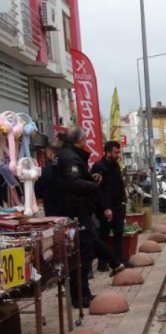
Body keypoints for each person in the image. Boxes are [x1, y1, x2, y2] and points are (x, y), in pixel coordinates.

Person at [55, 128, 124, 308]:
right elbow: (73, 183)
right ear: (81, 140)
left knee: (84, 248)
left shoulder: (64, 156)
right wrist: (93, 185)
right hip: (75, 211)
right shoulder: (71, 158)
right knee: (82, 253)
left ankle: (83, 292)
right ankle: (81, 295)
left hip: (72, 211)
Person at [91, 141, 128, 270]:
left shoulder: (116, 166)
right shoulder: (98, 166)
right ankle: (102, 263)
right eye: (115, 152)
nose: (118, 155)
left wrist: (123, 201)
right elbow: (97, 190)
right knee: (104, 235)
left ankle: (119, 260)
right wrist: (105, 207)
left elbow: (120, 185)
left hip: (118, 206)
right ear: (107, 153)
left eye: (119, 152)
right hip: (105, 208)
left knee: (118, 234)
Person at [35, 140, 63, 216]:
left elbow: (38, 192)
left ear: (51, 153)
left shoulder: (45, 171)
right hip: (69, 210)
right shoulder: (67, 166)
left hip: (51, 211)